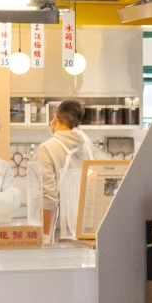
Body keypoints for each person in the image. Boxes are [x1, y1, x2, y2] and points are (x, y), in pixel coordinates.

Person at [32, 99, 94, 240]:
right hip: (85, 232)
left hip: (57, 235)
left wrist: (45, 238)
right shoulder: (88, 145)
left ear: (55, 118)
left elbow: (48, 198)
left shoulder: (47, 148)